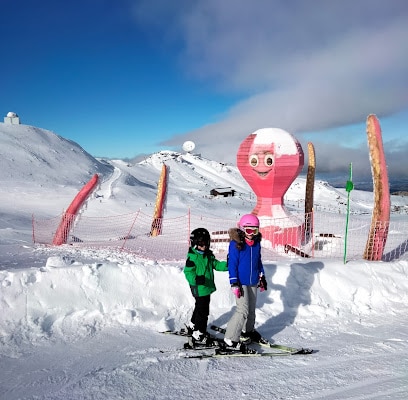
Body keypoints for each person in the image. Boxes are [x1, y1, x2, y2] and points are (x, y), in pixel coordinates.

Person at [223, 214, 267, 350]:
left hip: (253, 280)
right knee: (242, 310)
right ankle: (230, 338)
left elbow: (258, 261)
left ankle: (247, 332)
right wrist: (234, 282)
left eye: (255, 230)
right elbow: (232, 264)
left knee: (251, 309)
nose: (252, 234)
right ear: (242, 229)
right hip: (240, 282)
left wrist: (262, 276)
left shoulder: (256, 244)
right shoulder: (236, 244)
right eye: (249, 231)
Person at [184, 227, 228, 345]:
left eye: (206, 243)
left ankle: (193, 325)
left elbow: (217, 265)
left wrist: (228, 265)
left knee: (199, 307)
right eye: (201, 244)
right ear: (194, 244)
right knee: (203, 312)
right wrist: (195, 279)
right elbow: (188, 272)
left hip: (206, 287)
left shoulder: (208, 255)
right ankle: (199, 333)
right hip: (198, 287)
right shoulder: (192, 257)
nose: (204, 246)